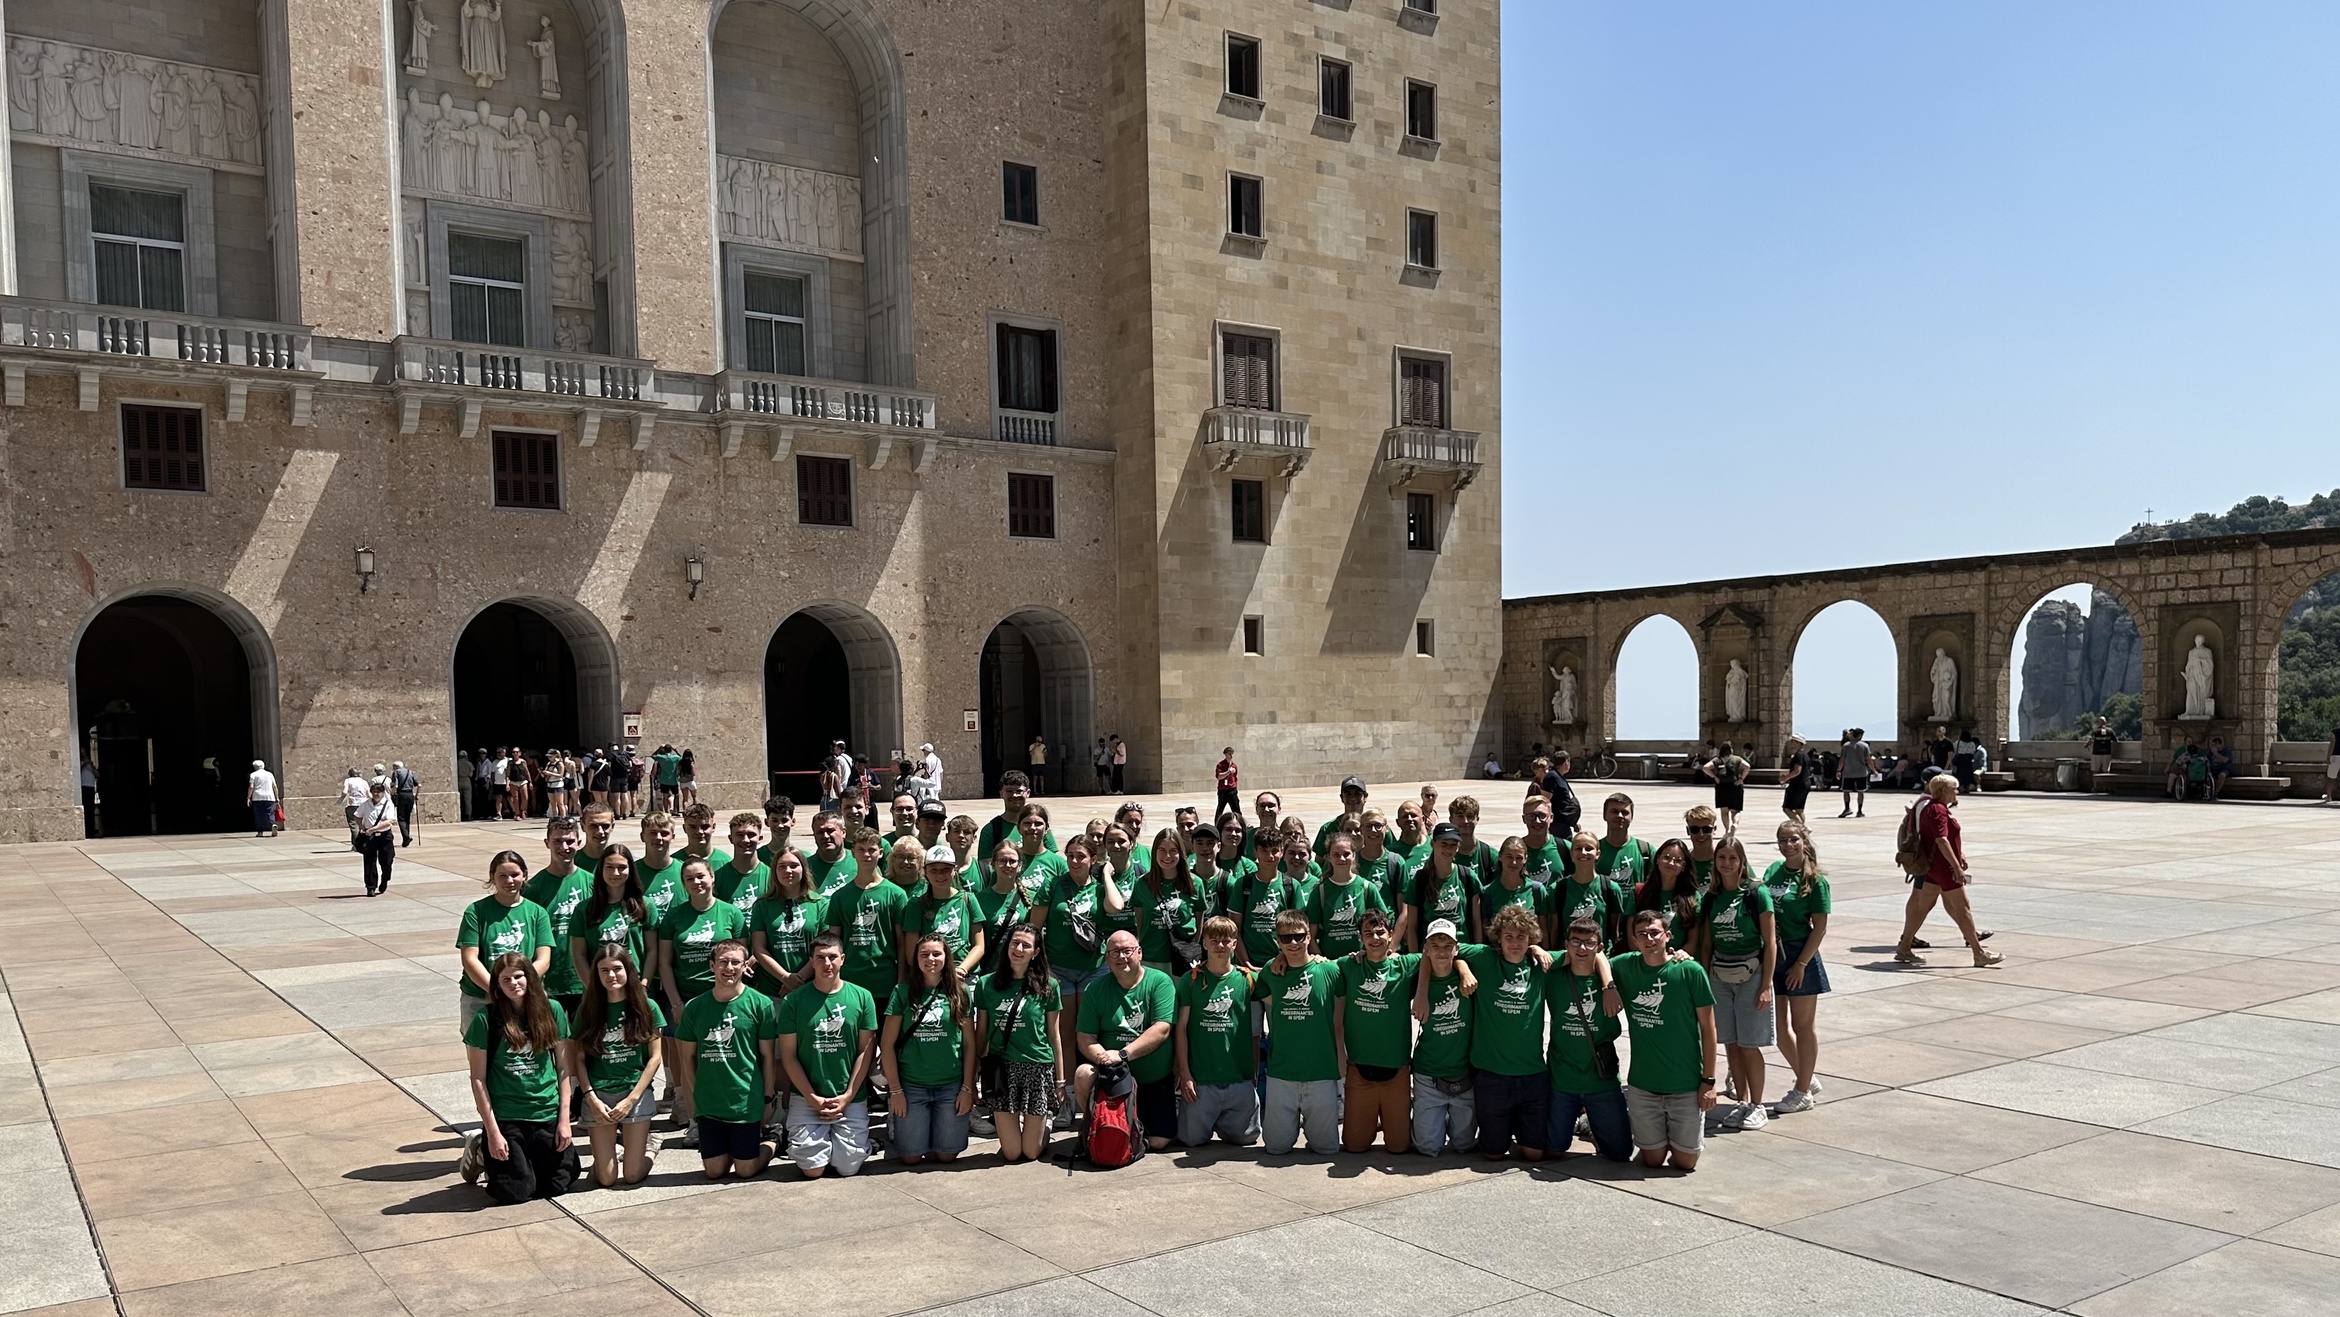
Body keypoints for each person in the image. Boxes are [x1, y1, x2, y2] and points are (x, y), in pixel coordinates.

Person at [458, 953, 576, 1201]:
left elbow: (565, 1069)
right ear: (497, 985)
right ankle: (480, 1148)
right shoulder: (486, 1019)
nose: (514, 983)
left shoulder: (551, 1010)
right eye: (505, 979)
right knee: (515, 1193)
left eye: (519, 976)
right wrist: (493, 1133)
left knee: (556, 1186)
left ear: (530, 977)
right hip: (508, 1115)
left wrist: (564, 1120)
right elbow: (478, 1079)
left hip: (545, 1111)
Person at [1615, 909, 1718, 1172]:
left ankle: (1679, 1141)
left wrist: (1708, 1081)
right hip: (1644, 1085)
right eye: (1642, 935)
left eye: (1654, 933)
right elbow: (1591, 958)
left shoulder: (1690, 971)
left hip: (1684, 1085)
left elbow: (1708, 1028)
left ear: (1668, 936)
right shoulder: (1626, 966)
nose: (1649, 939)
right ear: (1634, 941)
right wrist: (1607, 987)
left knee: (1685, 1164)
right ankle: (1658, 1140)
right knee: (1652, 1160)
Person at [776, 933, 878, 1177]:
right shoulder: (794, 1001)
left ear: (842, 959)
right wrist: (813, 1098)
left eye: (832, 957)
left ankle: (851, 1143)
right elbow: (789, 1056)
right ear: (812, 961)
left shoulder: (862, 997)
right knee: (813, 1170)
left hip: (849, 1096)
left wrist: (848, 1096)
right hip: (807, 1096)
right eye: (820, 958)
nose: (827, 963)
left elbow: (866, 1050)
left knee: (847, 1167)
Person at [1460, 904, 1554, 1161]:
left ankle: (1515, 1125)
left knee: (1534, 1155)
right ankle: (1500, 1131)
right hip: (1492, 1076)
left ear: (1531, 938)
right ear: (1498, 939)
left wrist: (1538, 949)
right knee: (1494, 1154)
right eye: (1508, 937)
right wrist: (1463, 968)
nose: (1515, 943)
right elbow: (1447, 948)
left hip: (1532, 1074)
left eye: (1521, 937)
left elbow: (1589, 954)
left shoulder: (1540, 964)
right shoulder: (1484, 958)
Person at [1694, 837, 1775, 1129]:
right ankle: (1741, 1102)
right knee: (1730, 1043)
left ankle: (1758, 1104)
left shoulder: (1756, 893)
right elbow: (1706, 945)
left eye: (1732, 858)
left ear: (1742, 861)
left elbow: (1770, 943)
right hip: (1720, 975)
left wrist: (1766, 985)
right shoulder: (1711, 897)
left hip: (1752, 974)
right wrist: (1703, 982)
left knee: (1750, 1044)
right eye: (1721, 858)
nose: (1726, 863)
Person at [569, 944, 663, 1186]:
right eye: (604, 970)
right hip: (599, 1093)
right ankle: (603, 1162)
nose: (611, 976)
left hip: (635, 1090)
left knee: (632, 1175)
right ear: (596, 975)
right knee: (607, 1178)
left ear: (628, 970)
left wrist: (632, 1098)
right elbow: (578, 1059)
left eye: (617, 969)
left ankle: (650, 1149)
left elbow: (654, 1058)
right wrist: (590, 1098)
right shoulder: (588, 1009)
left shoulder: (646, 1006)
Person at [1073, 930, 1176, 1151]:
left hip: (1152, 1079)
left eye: (1127, 951)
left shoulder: (1160, 982)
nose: (1122, 957)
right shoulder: (1096, 989)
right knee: (1083, 1073)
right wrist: (1103, 1057)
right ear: (1107, 958)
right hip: (1112, 1078)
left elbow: (1162, 1029)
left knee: (1159, 1142)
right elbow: (1085, 1036)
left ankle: (1129, 1130)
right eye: (1115, 952)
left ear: (1139, 952)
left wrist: (1122, 1055)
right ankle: (1098, 1128)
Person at [883, 933, 978, 1167]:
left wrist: (968, 1088)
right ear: (915, 959)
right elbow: (886, 1045)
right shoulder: (902, 993)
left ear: (947, 957)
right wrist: (895, 1091)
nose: (931, 959)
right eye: (924, 954)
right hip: (912, 1086)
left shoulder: (960, 992)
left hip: (950, 1086)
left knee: (947, 1155)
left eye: (937, 953)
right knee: (911, 1158)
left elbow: (969, 1044)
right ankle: (903, 1124)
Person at [1252, 910, 1341, 1154]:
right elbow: (1255, 986)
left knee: (1327, 1149)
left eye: (1299, 936)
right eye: (1286, 938)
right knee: (1276, 1148)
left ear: (1309, 937)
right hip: (1282, 1074)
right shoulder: (1272, 971)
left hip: (1320, 1073)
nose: (1293, 943)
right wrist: (1277, 958)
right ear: (1277, 940)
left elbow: (1361, 964)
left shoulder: (1330, 971)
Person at [974, 921, 1062, 1162]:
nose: (1019, 949)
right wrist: (973, 1076)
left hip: (1037, 1066)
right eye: (1015, 943)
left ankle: (1046, 1124)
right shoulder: (986, 984)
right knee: (1012, 1154)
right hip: (1003, 1068)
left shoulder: (1049, 986)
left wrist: (1060, 1080)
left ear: (1035, 952)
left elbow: (1054, 1035)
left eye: (1026, 945)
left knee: (1031, 1152)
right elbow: (981, 1033)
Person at [1896, 775, 2003, 968]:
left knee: (1922, 907)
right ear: (1944, 790)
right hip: (1943, 868)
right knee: (1963, 909)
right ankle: (1979, 954)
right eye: (1954, 788)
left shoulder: (1932, 807)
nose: (1957, 792)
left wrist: (1959, 854)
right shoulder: (1938, 810)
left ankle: (1904, 948)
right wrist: (1955, 866)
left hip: (1933, 868)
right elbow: (1941, 840)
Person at [1547, 916, 1630, 1161]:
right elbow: (1533, 954)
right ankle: (1582, 1120)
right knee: (1553, 1150)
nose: (1582, 948)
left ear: (1600, 947)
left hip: (1600, 1079)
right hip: (1562, 1080)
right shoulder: (1553, 976)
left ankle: (1589, 1123)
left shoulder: (1615, 975)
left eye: (1589, 943)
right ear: (1566, 944)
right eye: (1575, 941)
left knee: (1620, 1152)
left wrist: (1609, 986)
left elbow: (1653, 959)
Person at [1176, 914, 1261, 1147]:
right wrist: (1185, 1075)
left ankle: (1223, 1120)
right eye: (1213, 940)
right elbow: (1181, 1029)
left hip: (1238, 1079)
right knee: (1191, 1141)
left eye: (1226, 940)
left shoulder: (1248, 979)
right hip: (1202, 1081)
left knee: (1247, 1139)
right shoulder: (1191, 980)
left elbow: (1282, 981)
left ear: (1235, 943)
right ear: (1203, 943)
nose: (1220, 946)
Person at [1765, 822, 1831, 1114]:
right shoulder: (1772, 871)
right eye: (1783, 840)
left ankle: (1802, 1090)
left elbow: (1820, 928)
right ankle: (1808, 1076)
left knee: (1802, 1026)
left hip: (1800, 951)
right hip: (1774, 953)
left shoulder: (1816, 880)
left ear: (1804, 841)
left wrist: (1801, 964)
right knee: (1779, 1030)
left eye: (1793, 839)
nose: (1788, 845)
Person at [1335, 909, 1413, 1152]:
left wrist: (1534, 948)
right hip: (1360, 1069)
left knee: (1399, 1147)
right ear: (1360, 938)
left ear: (1391, 935)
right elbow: (1314, 964)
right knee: (1354, 1145)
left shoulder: (1406, 964)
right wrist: (1281, 959)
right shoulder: (1349, 965)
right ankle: (1370, 1117)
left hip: (1396, 1070)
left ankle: (1386, 1117)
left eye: (1380, 932)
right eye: (1368, 933)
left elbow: (1440, 953)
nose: (1375, 938)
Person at [1407, 918, 1481, 1155]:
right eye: (1435, 946)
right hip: (1429, 1072)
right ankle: (1422, 1118)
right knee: (1428, 1147)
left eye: (1447, 945)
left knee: (1464, 1145)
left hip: (1463, 1073)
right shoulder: (1414, 977)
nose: (1441, 951)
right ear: (1426, 949)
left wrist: (1463, 967)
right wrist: (1420, 991)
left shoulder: (1470, 978)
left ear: (1457, 948)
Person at [459, 851, 553, 1036]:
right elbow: (469, 959)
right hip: (482, 997)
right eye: (502, 875)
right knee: (482, 1057)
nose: (509, 881)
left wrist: (519, 988)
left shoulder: (538, 913)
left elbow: (544, 958)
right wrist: (497, 990)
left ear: (524, 875)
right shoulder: (476, 912)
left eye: (515, 875)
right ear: (492, 877)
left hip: (525, 997)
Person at [826, 827, 909, 1007]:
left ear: (880, 853)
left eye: (872, 850)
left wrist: (901, 981)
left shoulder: (896, 894)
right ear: (853, 852)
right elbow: (833, 942)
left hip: (884, 981)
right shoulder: (840, 897)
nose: (866, 855)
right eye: (861, 850)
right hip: (850, 980)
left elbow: (902, 942)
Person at [519, 817, 590, 1011]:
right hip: (548, 982)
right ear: (546, 843)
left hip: (584, 980)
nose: (564, 847)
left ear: (579, 843)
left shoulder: (592, 884)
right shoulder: (533, 888)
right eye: (557, 841)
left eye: (569, 841)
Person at [905, 842, 985, 976]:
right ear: (925, 872)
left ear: (955, 870)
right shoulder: (916, 905)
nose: (940, 875)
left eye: (946, 869)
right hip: (930, 975)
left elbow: (979, 945)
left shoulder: (968, 899)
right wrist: (935, 972)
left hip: (964, 974)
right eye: (934, 870)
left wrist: (962, 969)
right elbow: (911, 952)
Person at [1309, 833, 1390, 958]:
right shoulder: (1320, 891)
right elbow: (1311, 936)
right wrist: (1322, 961)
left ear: (1354, 856)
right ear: (1328, 857)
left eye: (1346, 854)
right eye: (1336, 855)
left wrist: (1370, 954)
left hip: (1362, 960)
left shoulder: (1367, 888)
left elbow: (1384, 926)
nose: (1341, 859)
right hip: (1331, 963)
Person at [1406, 822, 1474, 952]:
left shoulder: (1467, 876)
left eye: (1453, 845)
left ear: (1458, 847)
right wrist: (1415, 958)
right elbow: (1412, 927)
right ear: (1433, 844)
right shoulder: (1419, 880)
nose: (1448, 849)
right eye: (1443, 844)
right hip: (1431, 951)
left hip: (1462, 948)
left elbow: (1476, 921)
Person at [1701, 743, 1749, 836]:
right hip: (1735, 786)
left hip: (1722, 786)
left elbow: (1705, 767)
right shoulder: (1736, 759)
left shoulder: (1717, 760)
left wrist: (1715, 777)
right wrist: (1741, 779)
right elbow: (1747, 766)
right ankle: (1734, 824)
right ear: (1731, 750)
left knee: (1724, 811)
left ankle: (1727, 830)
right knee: (1736, 811)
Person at [1837, 729, 1872, 817]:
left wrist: (1838, 770)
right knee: (1860, 791)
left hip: (1848, 772)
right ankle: (1859, 811)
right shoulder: (1865, 746)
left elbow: (1842, 759)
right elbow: (1868, 760)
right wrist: (1874, 770)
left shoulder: (1846, 746)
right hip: (1861, 772)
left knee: (1846, 791)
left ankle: (1847, 808)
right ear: (1860, 736)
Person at [1779, 739, 1811, 825]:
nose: (1791, 744)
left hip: (1797, 785)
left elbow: (1797, 770)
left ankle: (1802, 829)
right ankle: (1802, 829)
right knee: (1799, 809)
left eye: (1793, 742)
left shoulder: (1798, 755)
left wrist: (1785, 778)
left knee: (1787, 808)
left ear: (1798, 743)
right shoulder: (1805, 755)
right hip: (1806, 783)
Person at [340, 766, 369, 847]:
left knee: (353, 824)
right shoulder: (364, 781)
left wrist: (341, 799)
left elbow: (345, 792)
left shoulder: (348, 780)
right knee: (363, 824)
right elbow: (369, 794)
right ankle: (363, 843)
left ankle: (356, 844)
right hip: (363, 803)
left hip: (352, 803)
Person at [2088, 718, 2117, 791]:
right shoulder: (2110, 731)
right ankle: (2106, 786)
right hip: (2107, 753)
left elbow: (2091, 740)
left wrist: (2086, 745)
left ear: (2099, 723)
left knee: (2095, 771)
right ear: (2105, 722)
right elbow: (2115, 741)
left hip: (2096, 753)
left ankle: (2095, 787)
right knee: (2106, 771)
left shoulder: (2095, 731)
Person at [1214, 747, 1241, 820]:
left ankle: (1240, 823)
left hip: (1232, 790)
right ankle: (1217, 824)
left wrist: (1235, 788)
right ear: (1225, 754)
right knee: (1220, 809)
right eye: (1229, 754)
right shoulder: (1220, 765)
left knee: (1236, 809)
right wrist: (1228, 772)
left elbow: (1235, 778)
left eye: (1232, 754)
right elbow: (1219, 776)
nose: (1231, 755)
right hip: (1223, 791)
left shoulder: (1234, 765)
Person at [2207, 736, 2234, 802]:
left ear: (2219, 744)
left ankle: (2216, 792)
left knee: (2222, 775)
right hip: (2213, 769)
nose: (2213, 747)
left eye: (2214, 745)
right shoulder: (2210, 753)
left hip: (2224, 769)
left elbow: (2225, 760)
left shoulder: (2226, 752)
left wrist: (2216, 753)